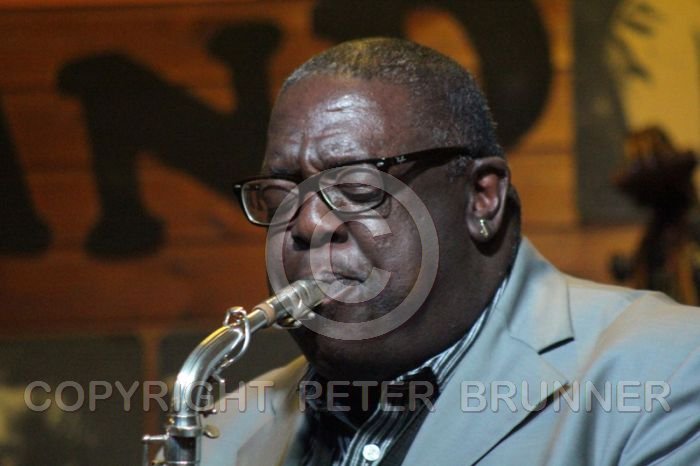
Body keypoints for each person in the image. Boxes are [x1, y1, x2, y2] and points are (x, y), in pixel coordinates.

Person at [205, 38, 700, 465]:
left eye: (357, 185)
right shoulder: (221, 431)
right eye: (282, 194)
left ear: (482, 196)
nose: (307, 223)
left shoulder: (672, 369)